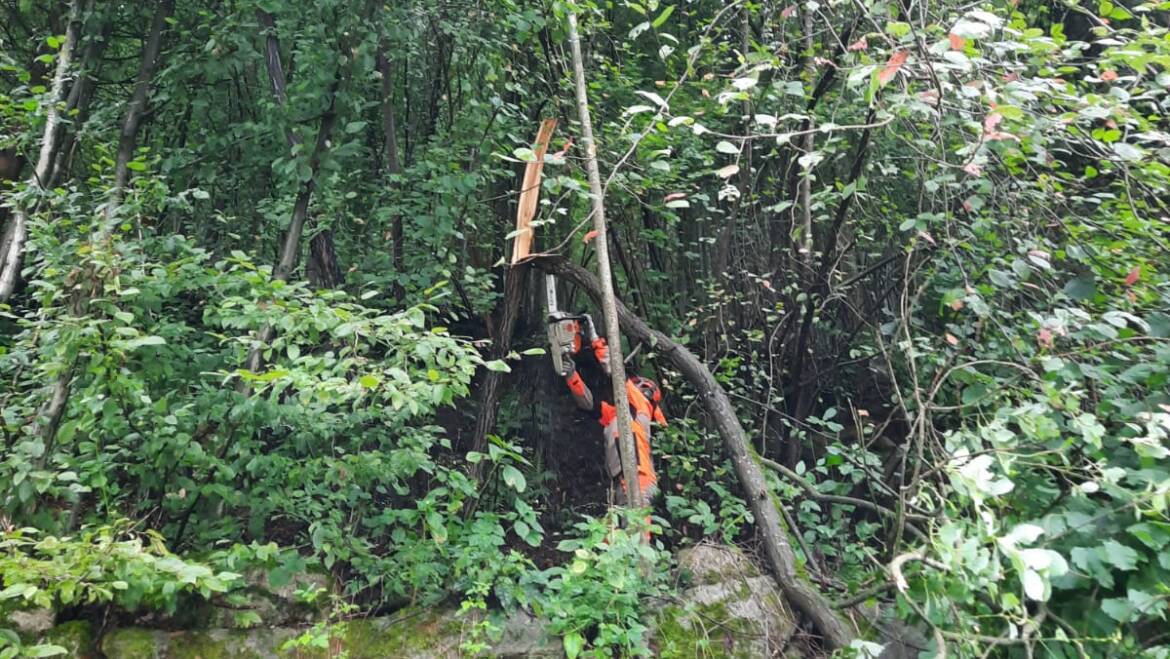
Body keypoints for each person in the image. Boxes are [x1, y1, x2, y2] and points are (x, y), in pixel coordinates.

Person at [553, 314, 666, 506]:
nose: (635, 386)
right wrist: (572, 376)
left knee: (636, 534)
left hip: (639, 483)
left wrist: (596, 339)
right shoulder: (618, 415)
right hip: (621, 485)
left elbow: (615, 370)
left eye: (640, 386)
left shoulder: (642, 410)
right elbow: (589, 405)